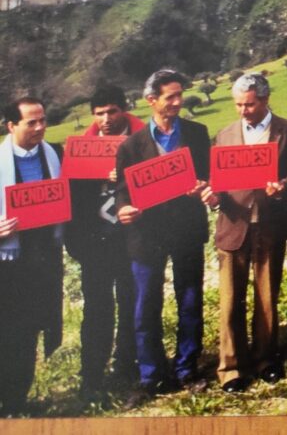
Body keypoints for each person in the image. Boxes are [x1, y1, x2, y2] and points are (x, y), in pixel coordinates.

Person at [203, 74, 287, 392]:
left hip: (270, 223)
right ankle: (231, 368)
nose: (243, 111)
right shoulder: (224, 136)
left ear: (264, 100)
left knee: (267, 296)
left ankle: (266, 360)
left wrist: (284, 186)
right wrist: (212, 197)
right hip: (233, 225)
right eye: (238, 105)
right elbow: (217, 181)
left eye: (249, 104)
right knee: (229, 299)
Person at [115, 69, 213, 405]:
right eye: (169, 96)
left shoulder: (198, 134)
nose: (176, 102)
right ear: (151, 100)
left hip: (186, 230)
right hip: (147, 236)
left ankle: (187, 369)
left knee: (189, 301)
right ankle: (151, 376)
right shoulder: (130, 146)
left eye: (179, 95)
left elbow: (209, 177)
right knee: (146, 307)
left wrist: (204, 187)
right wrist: (123, 208)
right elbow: (122, 192)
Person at [66, 86, 146, 398]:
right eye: (99, 113)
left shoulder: (141, 142)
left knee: (131, 304)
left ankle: (126, 365)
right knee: (97, 309)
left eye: (112, 111)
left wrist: (124, 175)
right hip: (97, 243)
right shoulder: (82, 148)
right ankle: (92, 376)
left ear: (124, 110)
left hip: (132, 238)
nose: (106, 119)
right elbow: (73, 201)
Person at [0, 97, 64, 415]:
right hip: (6, 264)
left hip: (41, 258)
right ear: (11, 125)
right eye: (31, 122)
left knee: (29, 331)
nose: (40, 127)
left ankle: (15, 401)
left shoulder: (54, 155)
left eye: (43, 120)